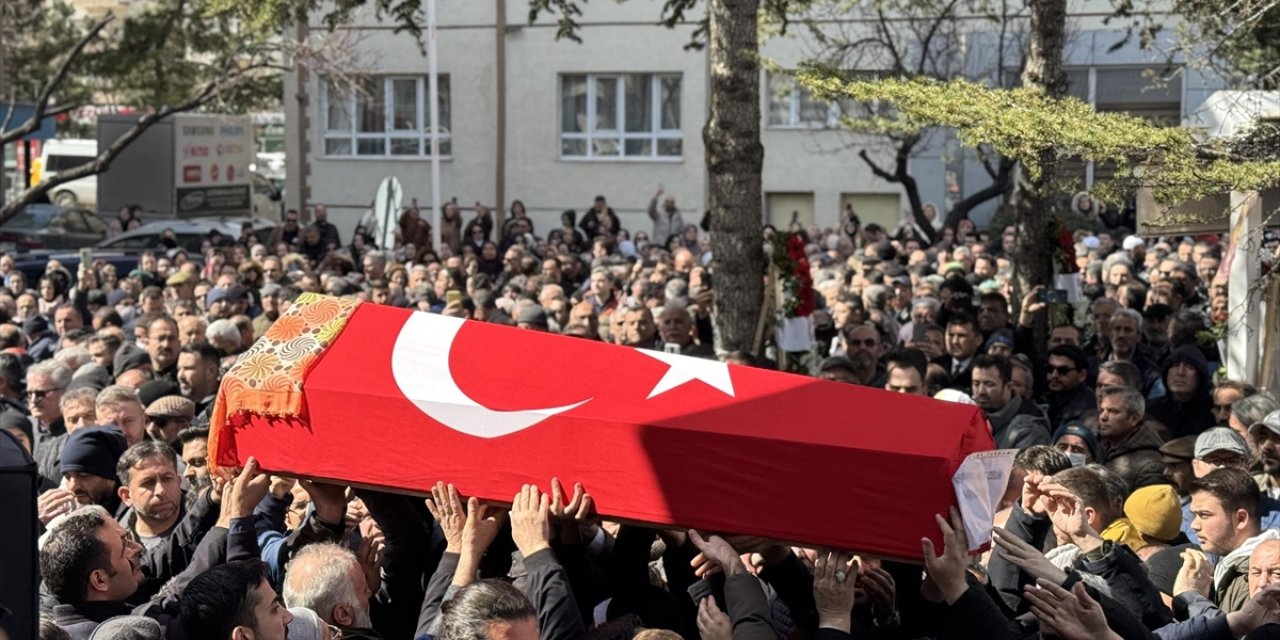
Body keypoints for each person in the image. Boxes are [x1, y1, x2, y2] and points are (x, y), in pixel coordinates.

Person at [1185, 467, 1280, 614]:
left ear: (1240, 518)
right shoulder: (1231, 564)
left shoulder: (1253, 579)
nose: (1194, 525)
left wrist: (1190, 596)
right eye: (1194, 515)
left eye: (1204, 515)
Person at [970, 355, 1050, 450]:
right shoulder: (969, 416)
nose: (980, 391)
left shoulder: (1030, 430)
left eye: (989, 384)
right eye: (976, 384)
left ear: (1008, 386)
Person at [1096, 386, 1165, 490]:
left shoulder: (1151, 466)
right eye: (1101, 410)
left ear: (1134, 418)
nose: (1103, 417)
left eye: (1113, 411)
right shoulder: (1098, 446)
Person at [1045, 345, 1095, 431]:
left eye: (1063, 371)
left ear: (1082, 375)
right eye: (1050, 369)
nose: (1054, 375)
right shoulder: (1051, 400)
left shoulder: (1086, 412)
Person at [935, 313, 981, 391]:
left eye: (961, 336)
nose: (954, 341)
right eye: (951, 335)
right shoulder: (937, 365)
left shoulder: (984, 368)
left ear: (978, 340)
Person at [176, 344, 221, 419]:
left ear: (211, 372)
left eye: (188, 368)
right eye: (179, 369)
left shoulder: (226, 406)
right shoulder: (178, 406)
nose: (180, 376)